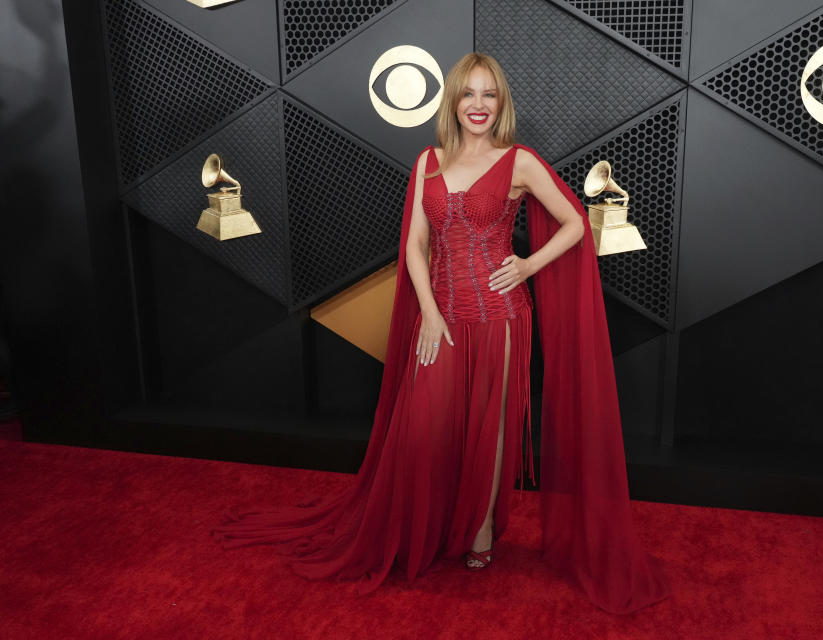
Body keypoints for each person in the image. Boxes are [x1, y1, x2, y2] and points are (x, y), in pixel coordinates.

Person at [212, 52, 669, 614]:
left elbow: (575, 223)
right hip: (441, 317)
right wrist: (428, 311)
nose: (478, 105)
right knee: (428, 427)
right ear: (453, 99)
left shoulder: (519, 161)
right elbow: (415, 244)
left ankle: (479, 538)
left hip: (501, 317)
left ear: (501, 104)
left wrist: (527, 266)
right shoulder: (427, 160)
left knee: (491, 431)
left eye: (489, 94)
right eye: (469, 94)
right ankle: (424, 530)